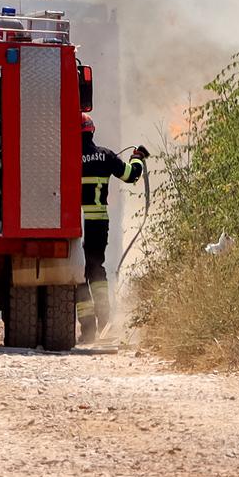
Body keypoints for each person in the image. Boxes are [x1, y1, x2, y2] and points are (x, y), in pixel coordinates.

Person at [78, 112, 147, 343]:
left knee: (77, 274)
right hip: (98, 222)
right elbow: (131, 175)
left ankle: (87, 330)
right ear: (92, 131)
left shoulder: (66, 155)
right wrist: (138, 156)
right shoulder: (105, 155)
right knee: (96, 269)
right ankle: (105, 322)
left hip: (74, 225)